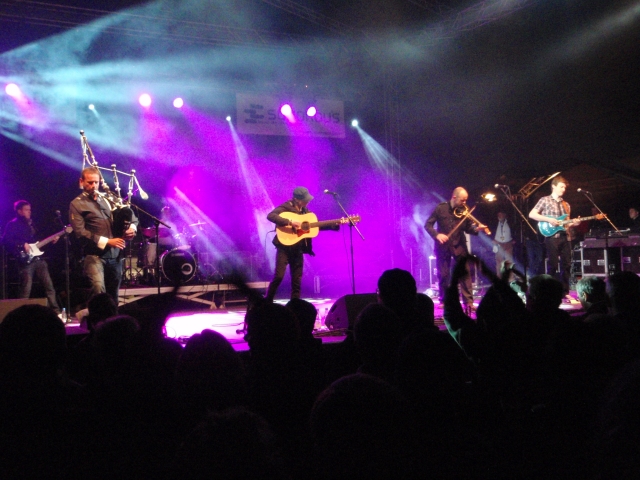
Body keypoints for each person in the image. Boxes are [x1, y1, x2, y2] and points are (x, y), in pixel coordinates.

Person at [69, 166, 138, 305]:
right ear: (81, 182)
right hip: (94, 255)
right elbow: (80, 232)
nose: (94, 186)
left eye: (96, 182)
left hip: (115, 255)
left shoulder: (109, 198)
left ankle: (112, 322)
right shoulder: (76, 204)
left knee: (113, 293)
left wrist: (132, 228)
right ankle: (95, 320)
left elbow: (130, 215)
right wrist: (107, 241)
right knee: (98, 288)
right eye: (90, 182)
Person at [265, 186, 339, 302]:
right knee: (278, 277)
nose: (307, 201)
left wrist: (332, 225)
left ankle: (295, 304)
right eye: (305, 199)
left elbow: (312, 227)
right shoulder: (286, 206)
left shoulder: (306, 212)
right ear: (296, 199)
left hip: (298, 248)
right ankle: (267, 301)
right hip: (284, 247)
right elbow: (271, 216)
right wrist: (290, 222)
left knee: (297, 280)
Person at [425, 187, 486, 313]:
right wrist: (437, 235)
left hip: (459, 245)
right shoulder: (440, 208)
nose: (464, 203)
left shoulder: (464, 211)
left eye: (466, 201)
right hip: (443, 246)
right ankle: (444, 300)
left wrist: (477, 229)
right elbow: (428, 225)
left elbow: (469, 228)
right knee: (443, 274)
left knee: (464, 273)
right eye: (462, 200)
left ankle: (468, 302)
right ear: (454, 197)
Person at [1, 200, 61, 314]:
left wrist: (53, 239)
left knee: (49, 286)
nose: (29, 212)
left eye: (30, 209)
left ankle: (56, 312)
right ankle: (20, 313)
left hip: (39, 259)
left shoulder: (33, 224)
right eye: (26, 209)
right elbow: (5, 240)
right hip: (25, 260)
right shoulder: (12, 224)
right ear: (19, 211)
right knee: (26, 289)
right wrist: (22, 244)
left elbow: (39, 240)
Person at [528, 175, 580, 295]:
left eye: (565, 187)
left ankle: (564, 291)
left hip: (565, 237)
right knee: (553, 264)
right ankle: (550, 290)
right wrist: (548, 219)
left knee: (567, 264)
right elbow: (532, 214)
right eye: (561, 187)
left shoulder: (566, 205)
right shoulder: (544, 200)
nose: (563, 189)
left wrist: (574, 223)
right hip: (552, 237)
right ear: (553, 186)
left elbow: (566, 224)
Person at [492, 211, 515, 275]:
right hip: (499, 244)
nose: (499, 216)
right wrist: (492, 239)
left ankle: (511, 280)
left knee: (509, 262)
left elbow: (515, 230)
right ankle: (499, 279)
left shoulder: (510, 222)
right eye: (498, 215)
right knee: (499, 262)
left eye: (501, 215)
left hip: (508, 243)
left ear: (505, 215)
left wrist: (514, 239)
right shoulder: (494, 223)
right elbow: (490, 231)